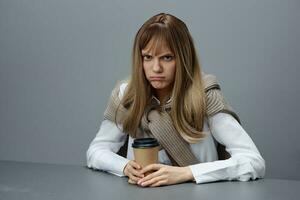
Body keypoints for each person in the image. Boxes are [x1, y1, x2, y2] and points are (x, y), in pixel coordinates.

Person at [86, 13, 265, 187]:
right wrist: (124, 167)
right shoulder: (126, 95)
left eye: (167, 57)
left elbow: (253, 161)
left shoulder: (205, 95)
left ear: (183, 58)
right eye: (148, 57)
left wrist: (188, 173)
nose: (156, 68)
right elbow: (96, 151)